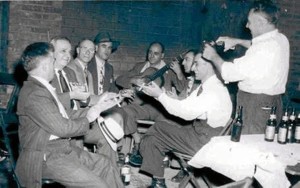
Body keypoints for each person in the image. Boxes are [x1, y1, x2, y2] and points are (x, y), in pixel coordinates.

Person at [15, 42, 124, 188]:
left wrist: (97, 108)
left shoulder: (42, 88)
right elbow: (63, 128)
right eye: (53, 59)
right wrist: (88, 118)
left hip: (62, 150)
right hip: (45, 156)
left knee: (105, 164)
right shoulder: (35, 93)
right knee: (97, 185)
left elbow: (65, 115)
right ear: (46, 65)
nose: (56, 63)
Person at [138, 53, 232, 188]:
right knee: (153, 137)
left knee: (157, 129)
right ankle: (158, 181)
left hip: (206, 141)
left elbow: (186, 113)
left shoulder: (213, 90)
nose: (193, 68)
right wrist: (162, 96)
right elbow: (187, 104)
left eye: (197, 64)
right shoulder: (206, 86)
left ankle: (153, 172)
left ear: (210, 65)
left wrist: (159, 95)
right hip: (202, 134)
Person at [202, 1, 289, 134]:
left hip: (255, 107)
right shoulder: (280, 39)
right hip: (272, 103)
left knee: (248, 146)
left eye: (249, 22)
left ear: (261, 22)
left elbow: (229, 73)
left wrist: (213, 55)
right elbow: (259, 45)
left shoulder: (263, 49)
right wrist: (237, 41)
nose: (247, 26)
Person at [114, 42, 187, 165]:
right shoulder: (140, 67)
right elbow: (119, 79)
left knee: (168, 125)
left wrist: (179, 72)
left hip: (162, 110)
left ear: (162, 55)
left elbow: (182, 88)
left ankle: (159, 153)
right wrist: (134, 80)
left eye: (156, 53)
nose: (152, 56)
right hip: (141, 105)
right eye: (150, 52)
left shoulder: (169, 71)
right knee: (124, 111)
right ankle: (138, 141)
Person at [50, 37, 90, 110]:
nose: (68, 56)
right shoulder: (46, 75)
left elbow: (83, 102)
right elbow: (48, 100)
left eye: (69, 52)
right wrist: (71, 95)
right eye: (63, 51)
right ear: (51, 53)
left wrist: (84, 97)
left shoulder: (70, 72)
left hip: (76, 115)